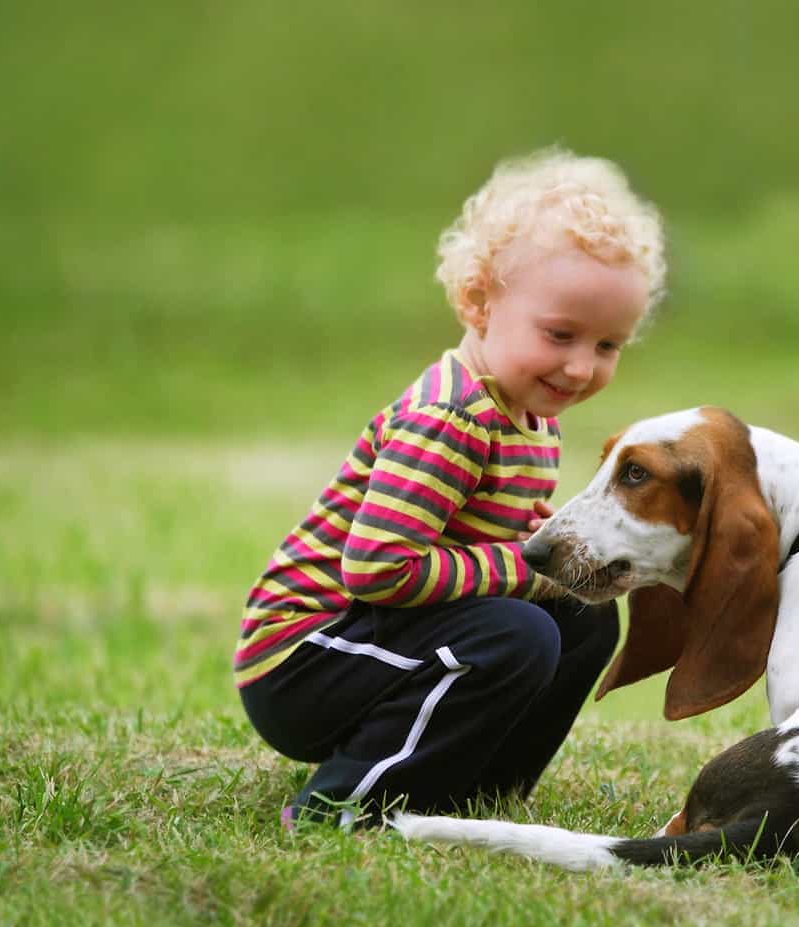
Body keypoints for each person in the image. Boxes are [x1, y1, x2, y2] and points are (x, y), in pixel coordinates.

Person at [234, 149, 666, 828]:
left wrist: (551, 551)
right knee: (518, 628)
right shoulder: (452, 419)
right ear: (478, 302)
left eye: (608, 345)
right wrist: (524, 567)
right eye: (560, 334)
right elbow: (378, 567)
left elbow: (480, 538)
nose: (581, 367)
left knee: (581, 615)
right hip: (302, 660)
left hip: (385, 638)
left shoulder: (530, 414)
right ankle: (341, 804)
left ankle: (472, 788)